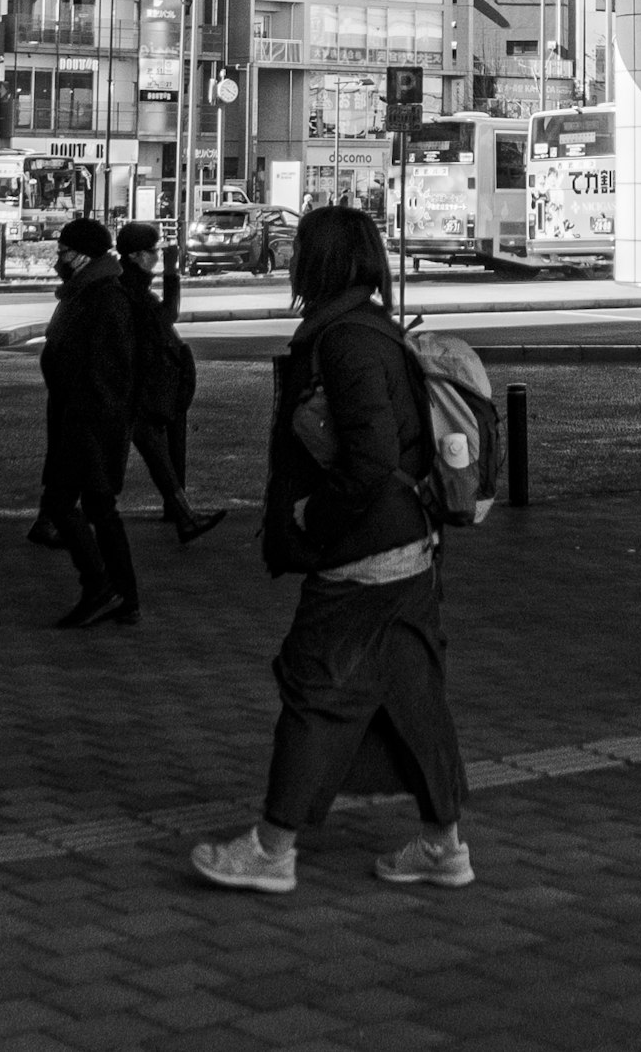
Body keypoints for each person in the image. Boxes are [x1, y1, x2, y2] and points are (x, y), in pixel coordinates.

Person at [191, 205, 471, 896]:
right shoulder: (370, 327)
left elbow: (371, 455)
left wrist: (315, 511)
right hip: (407, 545)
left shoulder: (345, 340)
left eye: (299, 253)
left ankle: (271, 848)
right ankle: (443, 847)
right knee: (415, 701)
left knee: (316, 689)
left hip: (364, 554)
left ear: (316, 263)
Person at [38, 216, 143, 627]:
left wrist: (83, 419)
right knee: (100, 509)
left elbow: (105, 370)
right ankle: (125, 597)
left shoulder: (103, 298)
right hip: (85, 419)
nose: (57, 260)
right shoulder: (87, 292)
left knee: (62, 507)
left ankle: (100, 587)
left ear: (81, 256)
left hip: (88, 423)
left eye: (63, 252)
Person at [115, 223, 225, 542]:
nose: (156, 255)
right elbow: (166, 318)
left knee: (157, 452)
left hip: (151, 385)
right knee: (146, 451)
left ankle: (182, 515)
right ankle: (183, 516)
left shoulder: (134, 284)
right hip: (139, 387)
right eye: (152, 251)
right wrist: (172, 272)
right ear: (136, 255)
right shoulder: (130, 288)